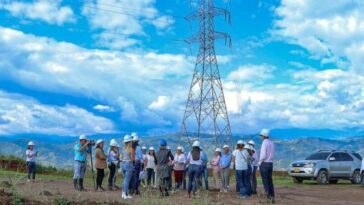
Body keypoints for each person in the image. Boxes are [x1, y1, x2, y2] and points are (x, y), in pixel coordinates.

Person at [259, 129, 275, 204]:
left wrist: (259, 163)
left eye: (261, 136)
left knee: (265, 182)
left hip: (264, 163)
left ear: (263, 136)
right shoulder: (272, 143)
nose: (261, 137)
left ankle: (268, 198)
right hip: (271, 163)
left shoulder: (264, 143)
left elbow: (263, 156)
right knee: (270, 181)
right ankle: (272, 197)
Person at [121, 135, 135, 199]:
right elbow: (132, 158)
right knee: (127, 180)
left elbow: (122, 157)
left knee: (124, 180)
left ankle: (123, 193)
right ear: (130, 142)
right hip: (129, 164)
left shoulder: (123, 149)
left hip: (123, 164)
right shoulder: (131, 149)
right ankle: (126, 194)